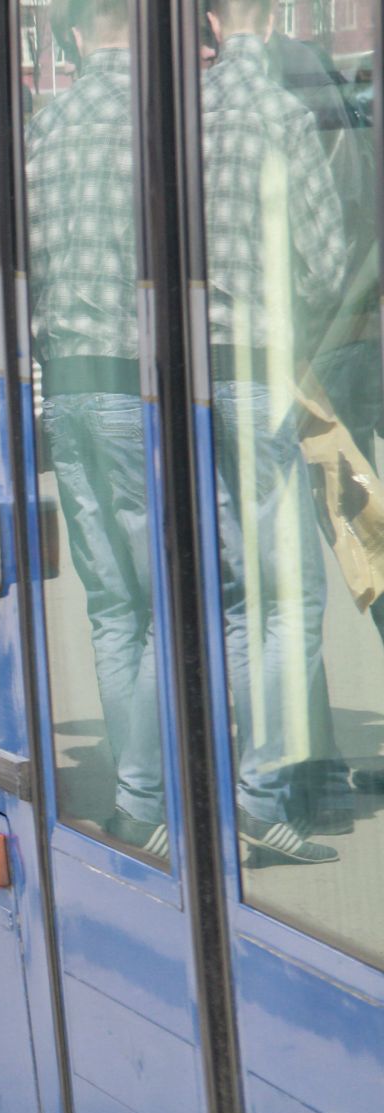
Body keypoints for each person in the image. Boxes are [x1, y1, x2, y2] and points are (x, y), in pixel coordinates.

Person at [201, 0, 350, 866]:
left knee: (238, 598)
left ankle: (241, 785)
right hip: (264, 373)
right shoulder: (284, 116)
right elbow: (329, 261)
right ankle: (263, 792)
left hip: (197, 385)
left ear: (216, 24)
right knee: (291, 598)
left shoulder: (195, 116)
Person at [24, 0, 166, 857]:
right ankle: (172, 792)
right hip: (132, 392)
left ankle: (136, 796)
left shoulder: (49, 127)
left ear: (75, 35)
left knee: (114, 605)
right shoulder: (153, 122)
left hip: (66, 394)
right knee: (169, 600)